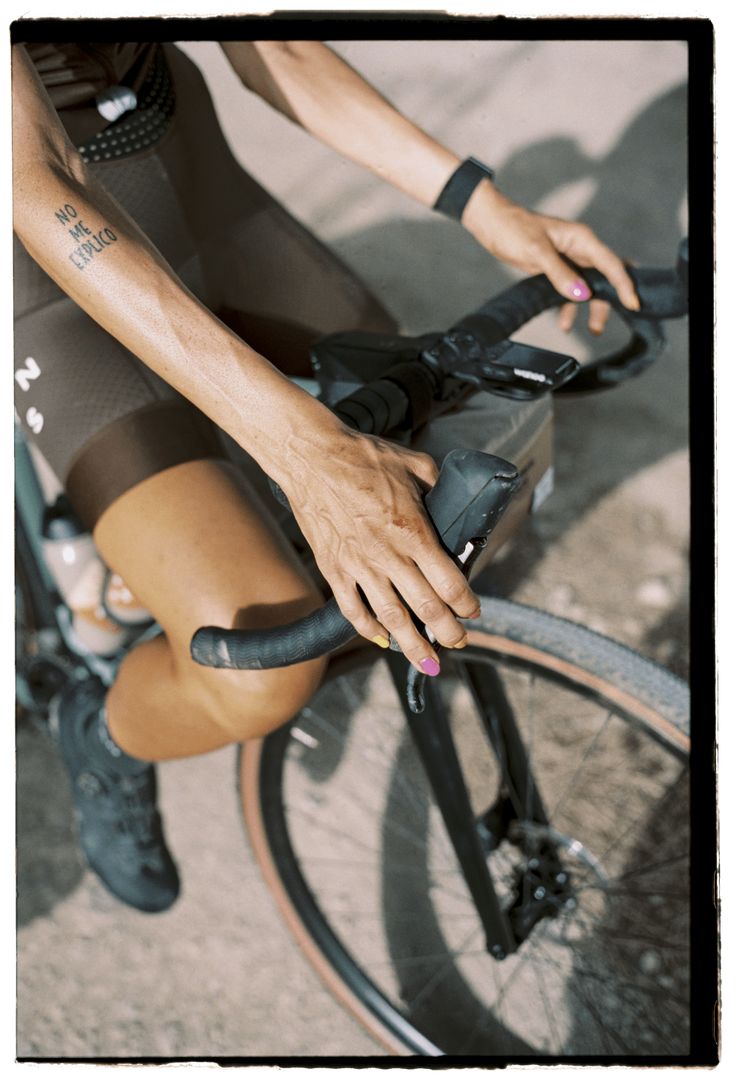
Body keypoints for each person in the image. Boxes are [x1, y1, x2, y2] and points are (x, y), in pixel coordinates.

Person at [12, 39, 640, 913]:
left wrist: (485, 205)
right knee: (261, 670)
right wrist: (309, 456)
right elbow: (37, 183)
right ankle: (103, 733)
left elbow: (275, 40)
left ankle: (147, 557)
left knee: (432, 479)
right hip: (43, 258)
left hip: (191, 171)